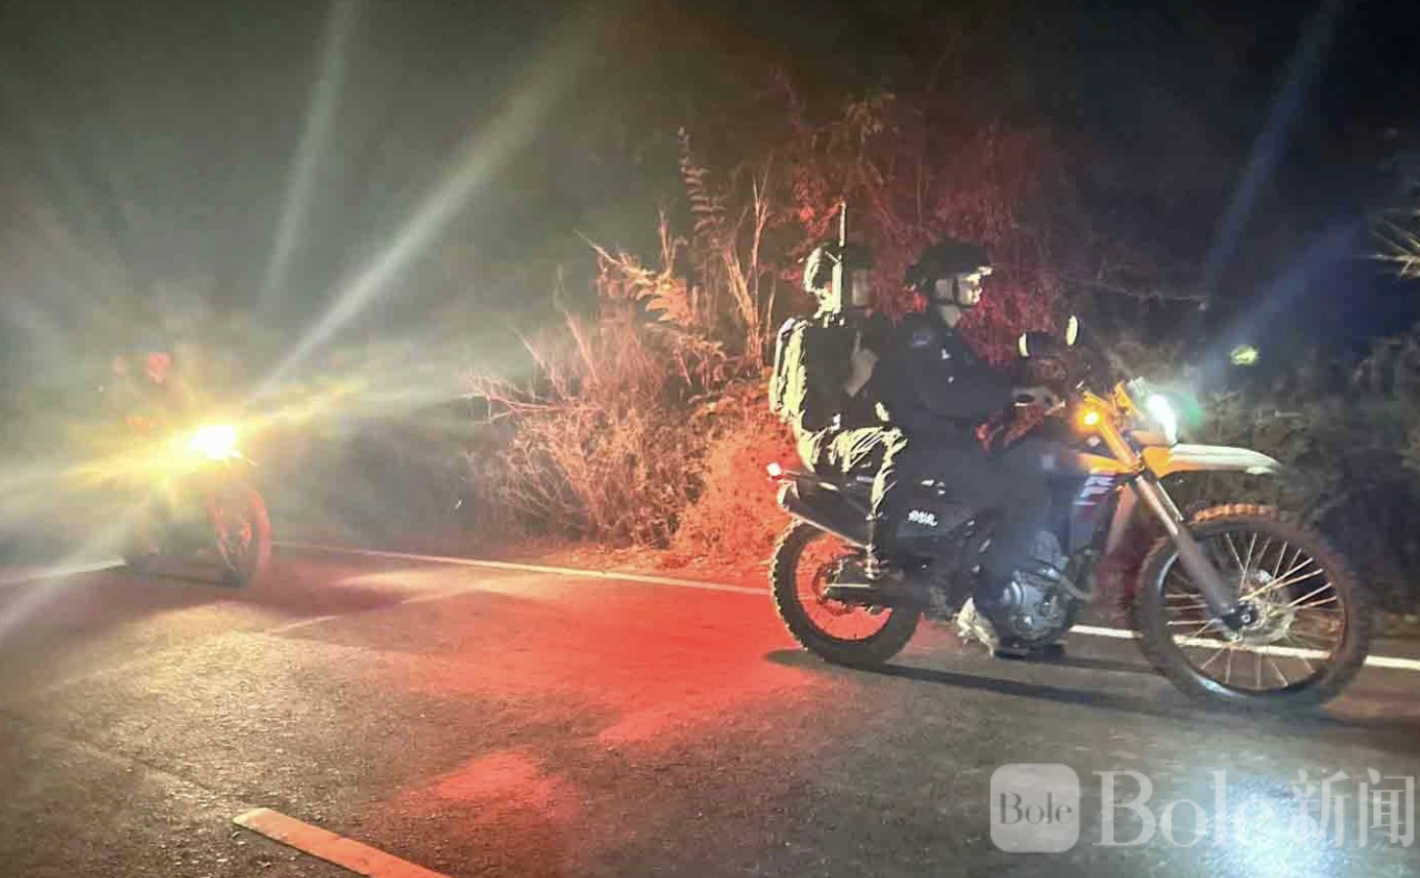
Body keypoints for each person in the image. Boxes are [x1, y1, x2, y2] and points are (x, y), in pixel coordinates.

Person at [864, 241, 1059, 627]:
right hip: (927, 447)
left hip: (954, 448)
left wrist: (1032, 382)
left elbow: (983, 381)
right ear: (941, 285)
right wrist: (1015, 393)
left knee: (1020, 475)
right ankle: (988, 603)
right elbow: (943, 396)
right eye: (968, 280)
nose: (977, 288)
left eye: (977, 281)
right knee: (1027, 499)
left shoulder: (950, 340)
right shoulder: (919, 336)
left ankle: (964, 578)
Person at [786, 241, 897, 476]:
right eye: (857, 280)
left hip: (869, 430)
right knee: (897, 447)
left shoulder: (873, 330)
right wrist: (854, 381)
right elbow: (811, 419)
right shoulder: (812, 337)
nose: (867, 287)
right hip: (826, 442)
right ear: (829, 287)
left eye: (867, 279)